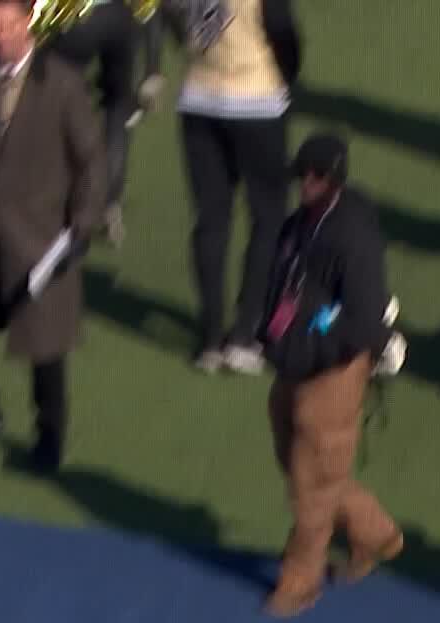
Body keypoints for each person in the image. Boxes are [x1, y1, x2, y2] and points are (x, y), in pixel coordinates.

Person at [0, 0, 105, 471]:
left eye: (7, 27)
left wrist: (82, 223)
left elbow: (91, 160)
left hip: (41, 237)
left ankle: (49, 438)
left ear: (27, 23)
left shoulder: (62, 83)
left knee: (44, 348)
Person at [255, 134, 402, 617]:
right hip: (294, 364)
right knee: (298, 459)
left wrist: (317, 345)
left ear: (334, 179)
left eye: (316, 175)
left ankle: (300, 579)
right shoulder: (300, 225)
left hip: (333, 370)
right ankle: (374, 532)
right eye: (303, 174)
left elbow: (361, 322)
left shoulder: (353, 238)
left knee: (313, 483)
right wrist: (272, 337)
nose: (306, 182)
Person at [165, 0, 301, 376]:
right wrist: (289, 76)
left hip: (199, 100)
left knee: (210, 220)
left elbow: (173, 18)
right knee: (268, 218)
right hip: (257, 99)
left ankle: (210, 339)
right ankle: (244, 335)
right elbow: (281, 27)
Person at [40, 0, 149, 246]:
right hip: (119, 16)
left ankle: (51, 195)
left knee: (53, 101)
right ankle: (109, 203)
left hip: (73, 15)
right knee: (117, 107)